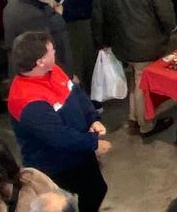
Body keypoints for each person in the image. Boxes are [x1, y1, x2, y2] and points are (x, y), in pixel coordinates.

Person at [6, 32, 109, 212]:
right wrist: (93, 144)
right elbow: (59, 136)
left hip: (78, 152)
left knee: (97, 190)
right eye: (51, 51)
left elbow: (75, 92)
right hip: (55, 164)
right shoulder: (27, 100)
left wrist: (92, 118)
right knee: (62, 205)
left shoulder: (52, 70)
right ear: (39, 62)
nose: (55, 52)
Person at [90, 0, 174, 136]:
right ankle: (146, 124)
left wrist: (101, 40)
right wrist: (167, 32)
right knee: (142, 82)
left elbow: (98, 12)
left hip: (119, 42)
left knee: (135, 79)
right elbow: (167, 17)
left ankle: (134, 117)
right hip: (145, 43)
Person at [3, 0, 74, 78]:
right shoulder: (32, 16)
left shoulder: (14, 4)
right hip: (44, 78)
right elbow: (48, 52)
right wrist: (67, 77)